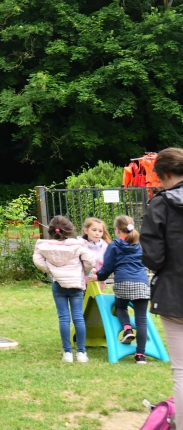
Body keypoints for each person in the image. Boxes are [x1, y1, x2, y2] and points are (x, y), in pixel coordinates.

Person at [140, 148, 183, 417]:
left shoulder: (161, 205)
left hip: (174, 295)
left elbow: (153, 258)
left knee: (182, 371)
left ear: (165, 174)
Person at [33, 215, 95, 363]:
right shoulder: (78, 246)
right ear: (70, 229)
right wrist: (84, 272)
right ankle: (81, 353)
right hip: (76, 285)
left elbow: (37, 260)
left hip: (58, 285)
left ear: (51, 230)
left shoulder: (45, 246)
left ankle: (67, 353)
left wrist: (51, 270)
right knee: (78, 317)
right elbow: (90, 260)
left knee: (64, 318)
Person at [97, 215, 150, 364]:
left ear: (117, 230)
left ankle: (127, 329)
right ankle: (140, 355)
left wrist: (99, 276)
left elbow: (107, 268)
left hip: (123, 282)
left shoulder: (114, 245)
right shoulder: (141, 244)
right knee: (141, 319)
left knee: (120, 307)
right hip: (141, 283)